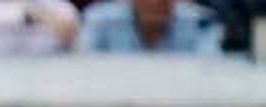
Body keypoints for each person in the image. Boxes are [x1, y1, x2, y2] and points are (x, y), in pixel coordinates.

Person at [76, 0, 224, 49]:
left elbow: (210, 69)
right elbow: (81, 65)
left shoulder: (202, 22)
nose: (157, 1)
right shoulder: (100, 20)